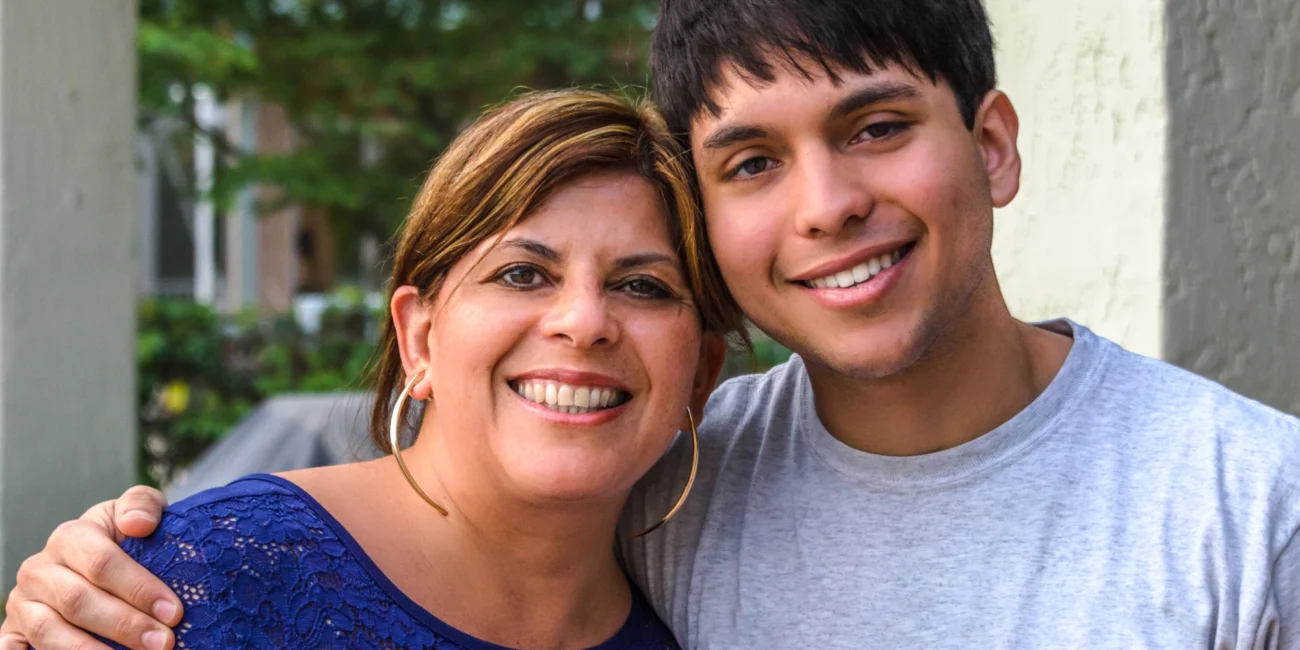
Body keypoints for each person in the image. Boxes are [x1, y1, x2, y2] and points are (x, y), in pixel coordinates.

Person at [5, 0, 1300, 648]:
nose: (829, 206)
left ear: (995, 144)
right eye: (749, 163)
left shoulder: (1253, 501)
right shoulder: (669, 481)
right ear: (416, 328)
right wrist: (93, 575)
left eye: (878, 127)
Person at [1, 88, 747, 649]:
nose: (583, 322)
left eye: (642, 286)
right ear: (418, 338)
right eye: (522, 274)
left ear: (700, 374)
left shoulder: (702, 623)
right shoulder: (193, 580)